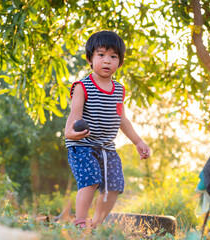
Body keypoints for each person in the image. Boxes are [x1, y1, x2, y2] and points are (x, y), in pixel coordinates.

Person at [64, 30, 150, 229]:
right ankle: (80, 223)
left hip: (107, 147)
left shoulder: (119, 89)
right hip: (82, 144)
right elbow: (75, 114)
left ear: (119, 63)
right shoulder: (82, 86)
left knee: (114, 185)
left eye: (113, 57)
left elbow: (122, 119)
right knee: (91, 181)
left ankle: (96, 223)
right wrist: (69, 132)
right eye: (101, 55)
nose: (107, 61)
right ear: (90, 59)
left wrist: (138, 142)